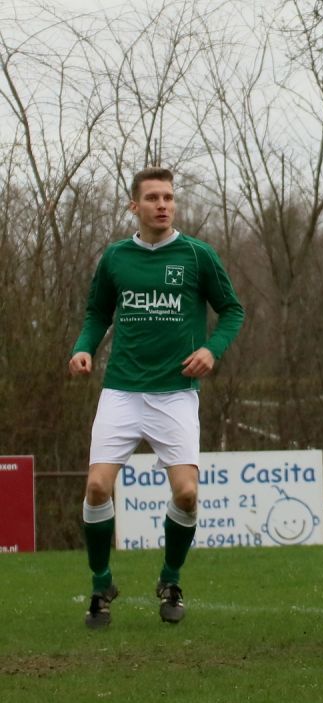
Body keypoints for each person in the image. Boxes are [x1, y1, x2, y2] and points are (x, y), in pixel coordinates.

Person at [69, 167, 245, 628]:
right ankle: (102, 582)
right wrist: (84, 348)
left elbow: (231, 310)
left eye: (168, 197)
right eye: (152, 198)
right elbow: (96, 312)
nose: (163, 204)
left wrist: (212, 349)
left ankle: (170, 579)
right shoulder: (115, 258)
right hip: (122, 390)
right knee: (96, 487)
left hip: (175, 394)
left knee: (186, 494)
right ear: (134, 205)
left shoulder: (196, 255)